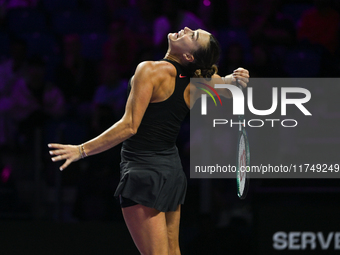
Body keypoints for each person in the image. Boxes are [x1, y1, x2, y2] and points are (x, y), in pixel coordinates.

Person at [48, 27, 249, 255]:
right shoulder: (197, 81)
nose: (186, 29)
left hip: (144, 172)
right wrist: (235, 79)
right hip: (171, 173)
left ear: (188, 57)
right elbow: (222, 83)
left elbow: (130, 125)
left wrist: (81, 150)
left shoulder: (150, 70)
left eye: (192, 36)